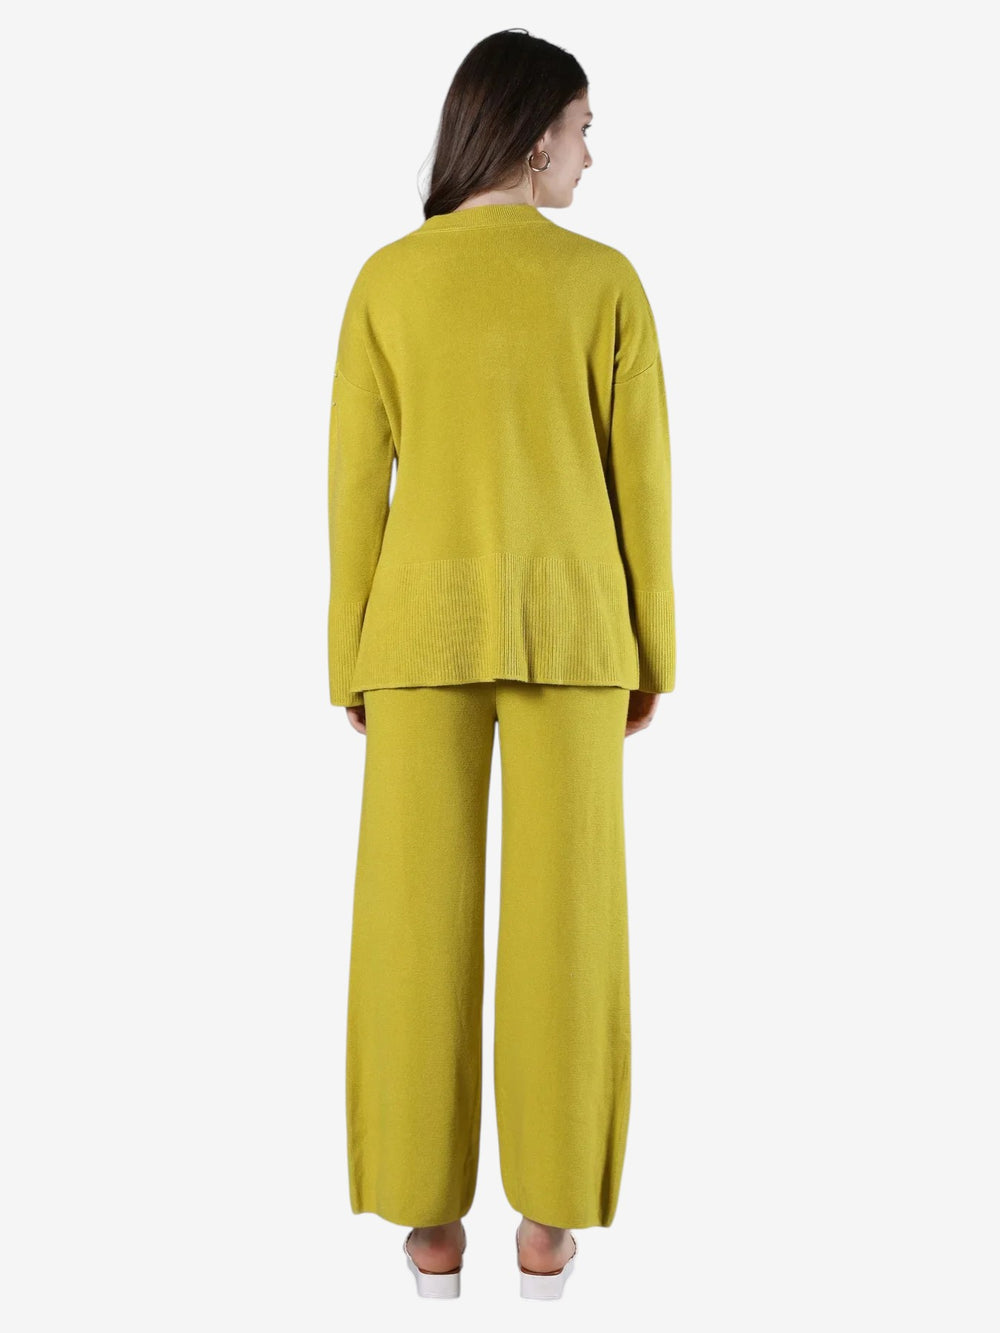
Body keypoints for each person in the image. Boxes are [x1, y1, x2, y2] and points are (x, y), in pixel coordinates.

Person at [327, 28, 676, 1300]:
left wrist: (349, 657)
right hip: (576, 633)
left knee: (410, 917)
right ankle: (546, 1219)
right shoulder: (605, 283)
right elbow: (644, 487)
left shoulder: (386, 281)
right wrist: (653, 649)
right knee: (568, 920)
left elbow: (353, 487)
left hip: (415, 634)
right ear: (533, 137)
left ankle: (429, 1223)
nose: (588, 152)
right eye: (581, 128)